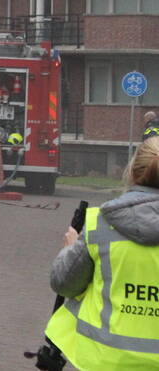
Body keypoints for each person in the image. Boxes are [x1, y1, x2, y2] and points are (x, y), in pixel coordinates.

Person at [45, 137, 159, 369]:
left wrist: (69, 249)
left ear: (133, 172)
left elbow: (64, 283)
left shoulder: (101, 223)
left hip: (104, 361)